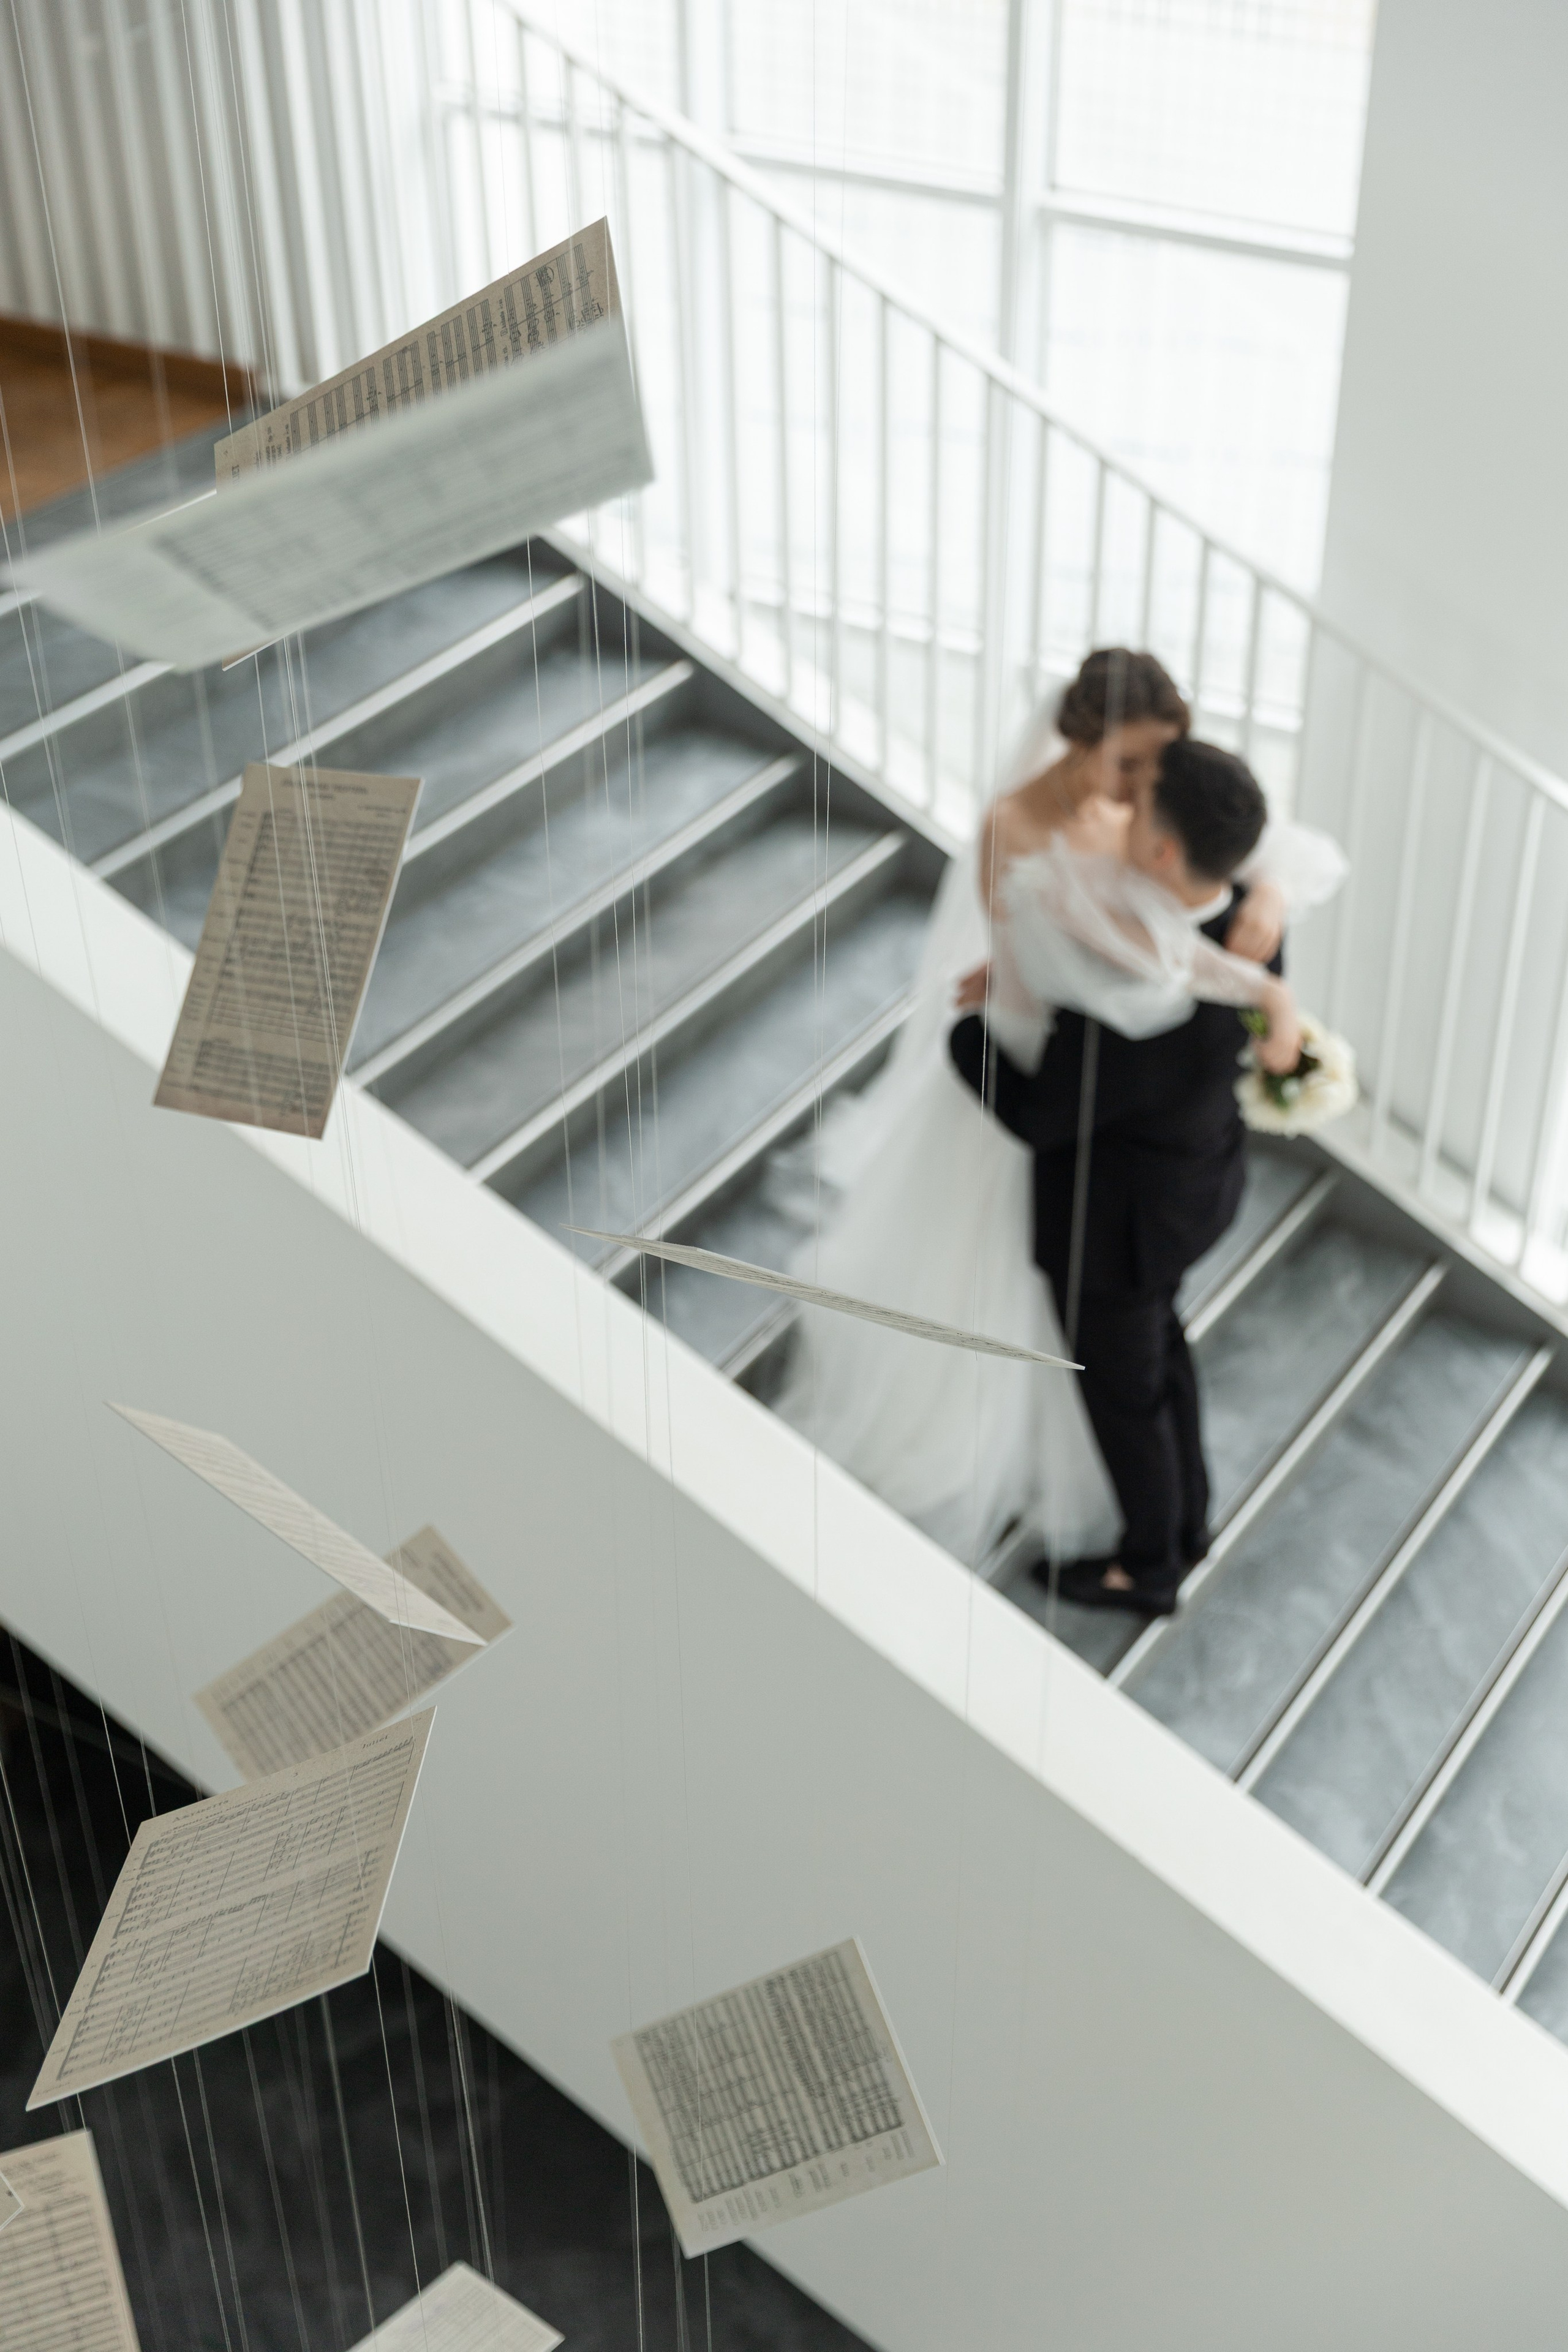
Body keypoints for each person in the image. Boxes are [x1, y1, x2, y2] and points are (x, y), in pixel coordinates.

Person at [770, 648, 1341, 1564]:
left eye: (1158, 761)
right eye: (1131, 762)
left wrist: (1265, 906)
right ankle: (1100, 1491)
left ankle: (1142, 1523)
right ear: (1080, 742)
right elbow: (1050, 940)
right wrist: (1020, 978)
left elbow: (1217, 874)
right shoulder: (1019, 824)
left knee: (1112, 1323)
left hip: (1106, 1089)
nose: (1144, 780)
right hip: (1052, 1044)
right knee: (1022, 1270)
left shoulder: (1161, 816)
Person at [950, 736, 1287, 1614]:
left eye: (1138, 809)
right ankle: (1190, 1518)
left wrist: (969, 1035)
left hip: (1114, 1232)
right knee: (1164, 1347)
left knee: (1125, 1393)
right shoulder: (1252, 917)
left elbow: (1036, 1117)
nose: (1121, 812)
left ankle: (1150, 1566)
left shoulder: (1124, 1009)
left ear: (1165, 851)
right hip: (1196, 1190)